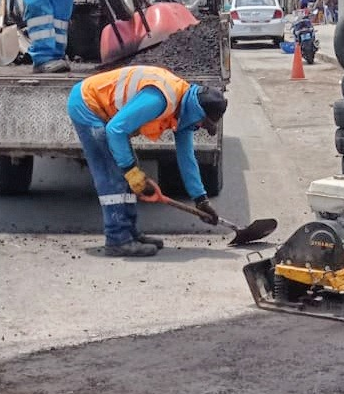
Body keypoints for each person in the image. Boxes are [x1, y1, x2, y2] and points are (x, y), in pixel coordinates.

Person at [68, 66, 227, 257]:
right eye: (203, 122)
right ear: (198, 111)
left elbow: (186, 157)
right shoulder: (161, 98)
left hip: (107, 115)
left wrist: (200, 199)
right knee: (114, 176)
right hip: (87, 106)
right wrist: (130, 170)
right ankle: (117, 240)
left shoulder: (185, 112)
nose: (201, 127)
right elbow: (115, 130)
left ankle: (130, 233)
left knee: (129, 174)